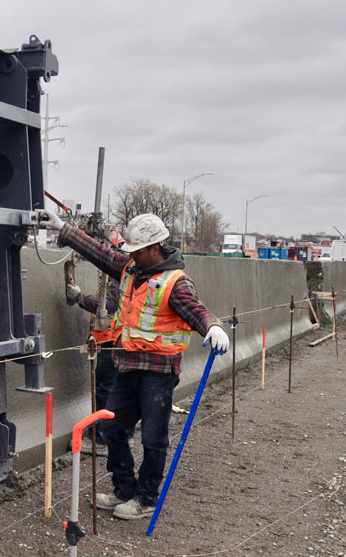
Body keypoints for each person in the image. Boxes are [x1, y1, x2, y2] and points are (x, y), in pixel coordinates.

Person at [40, 211, 229, 520]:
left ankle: (146, 498)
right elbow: (100, 253)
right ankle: (123, 489)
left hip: (159, 372)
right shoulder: (131, 268)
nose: (131, 254)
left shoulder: (175, 283)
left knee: (154, 437)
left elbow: (197, 311)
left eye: (136, 249)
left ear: (154, 248)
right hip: (128, 366)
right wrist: (64, 229)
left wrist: (213, 327)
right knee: (112, 428)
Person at [65, 230, 123, 455]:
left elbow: (106, 305)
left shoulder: (119, 277)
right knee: (111, 390)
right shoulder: (119, 275)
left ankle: (100, 440)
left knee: (104, 391)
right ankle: (113, 436)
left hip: (112, 342)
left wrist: (79, 296)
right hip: (110, 341)